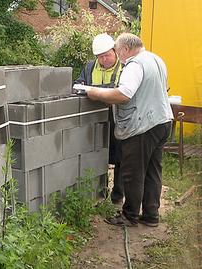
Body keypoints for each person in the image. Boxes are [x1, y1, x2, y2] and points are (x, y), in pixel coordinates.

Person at [85, 32, 173, 227]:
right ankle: (151, 215)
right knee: (152, 171)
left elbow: (124, 94)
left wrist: (96, 93)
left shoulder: (135, 65)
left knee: (133, 173)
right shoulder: (156, 59)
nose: (118, 55)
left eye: (117, 50)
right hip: (162, 121)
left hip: (142, 127)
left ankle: (129, 216)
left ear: (125, 49)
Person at [74, 33, 124, 205]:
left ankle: (118, 196)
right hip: (93, 119)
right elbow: (78, 84)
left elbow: (121, 91)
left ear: (115, 51)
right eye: (100, 57)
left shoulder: (124, 67)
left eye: (107, 55)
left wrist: (94, 90)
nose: (103, 60)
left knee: (119, 157)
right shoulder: (90, 67)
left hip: (117, 118)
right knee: (96, 154)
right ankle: (99, 192)